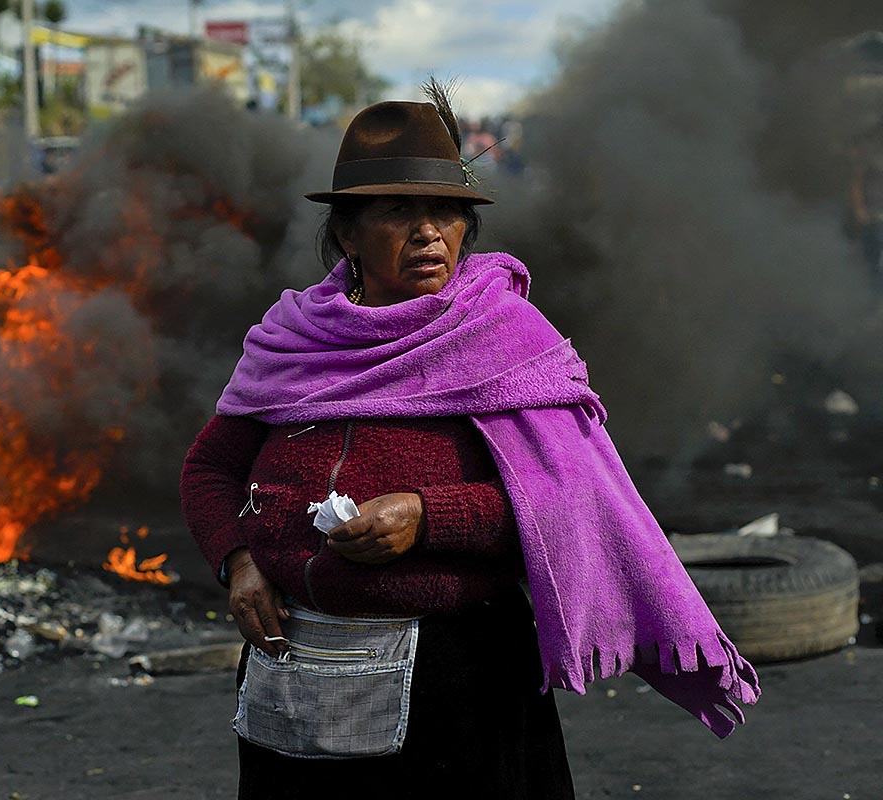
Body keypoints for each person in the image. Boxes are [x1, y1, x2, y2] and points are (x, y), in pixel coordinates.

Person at [180, 83, 760, 798]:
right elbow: (210, 466)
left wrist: (427, 516)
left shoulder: (508, 342)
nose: (429, 231)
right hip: (294, 674)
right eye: (399, 211)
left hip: (463, 683)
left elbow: (569, 499)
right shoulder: (291, 340)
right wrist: (237, 561)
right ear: (349, 233)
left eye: (447, 212)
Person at [849, 120, 883, 284]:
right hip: (873, 216)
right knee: (873, 263)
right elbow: (857, 182)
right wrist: (860, 209)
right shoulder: (871, 149)